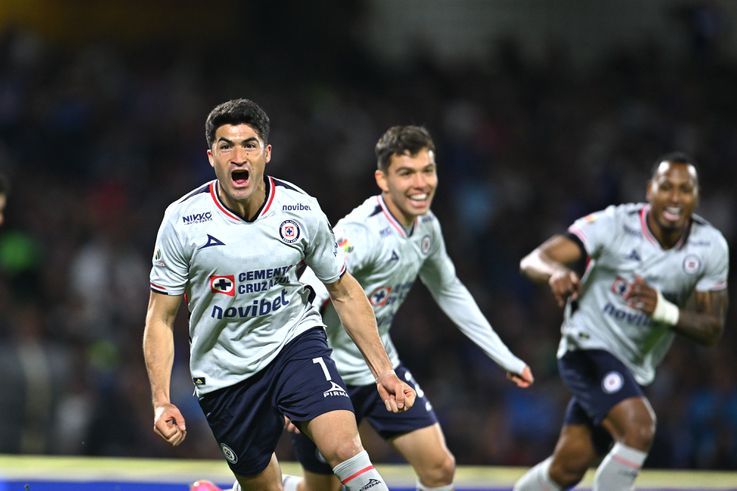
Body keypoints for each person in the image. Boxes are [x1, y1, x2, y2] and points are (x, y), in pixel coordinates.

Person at [143, 98, 416, 491]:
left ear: (267, 153)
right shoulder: (182, 221)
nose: (239, 157)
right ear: (211, 157)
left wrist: (383, 371)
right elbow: (161, 316)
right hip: (224, 372)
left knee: (345, 448)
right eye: (226, 146)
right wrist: (161, 400)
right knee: (265, 487)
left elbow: (343, 290)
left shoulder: (300, 209)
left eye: (249, 145)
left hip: (294, 344)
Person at [281, 124, 534, 491]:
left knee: (439, 468)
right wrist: (298, 382)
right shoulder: (360, 233)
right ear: (382, 180)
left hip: (381, 369)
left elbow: (449, 290)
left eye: (427, 171)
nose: (420, 183)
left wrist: (503, 356)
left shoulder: (427, 227)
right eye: (406, 173)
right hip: (327, 374)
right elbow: (305, 296)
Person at [513, 152, 729, 490]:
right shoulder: (615, 225)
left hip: (632, 368)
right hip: (587, 346)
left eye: (685, 189)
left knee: (568, 467)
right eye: (666, 187)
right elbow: (535, 259)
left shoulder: (710, 247)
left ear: (696, 196)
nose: (674, 198)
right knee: (638, 429)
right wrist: (555, 273)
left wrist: (663, 310)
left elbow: (712, 328)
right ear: (649, 189)